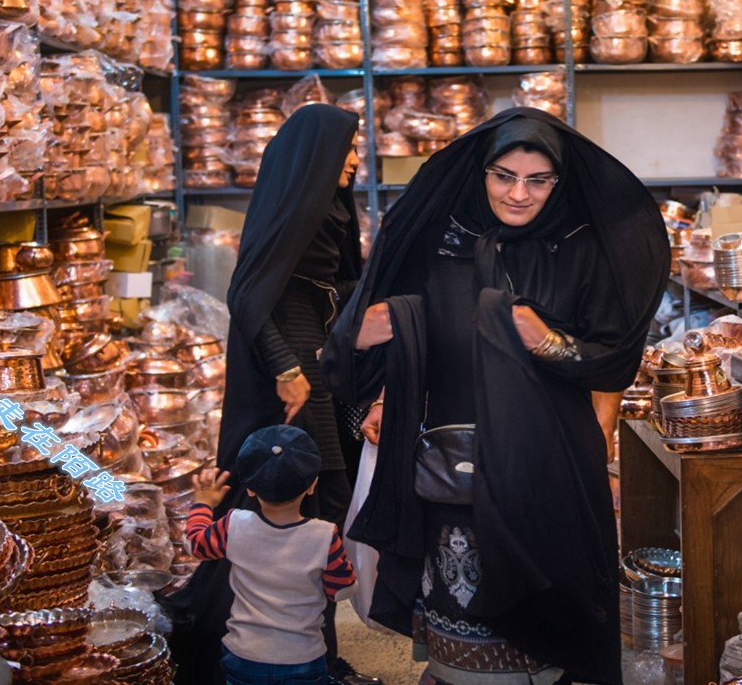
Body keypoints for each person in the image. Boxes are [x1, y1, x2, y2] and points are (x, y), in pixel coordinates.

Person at [321, 108, 668, 685]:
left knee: (548, 596)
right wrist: (362, 336)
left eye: (538, 180)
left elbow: (612, 359)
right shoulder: (440, 242)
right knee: (462, 592)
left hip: (548, 449)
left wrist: (548, 342)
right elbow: (364, 339)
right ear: (482, 172)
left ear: (558, 180)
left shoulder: (579, 247)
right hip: (454, 447)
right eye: (504, 176)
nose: (518, 194)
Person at [166, 104, 376, 685]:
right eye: (346, 149)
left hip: (320, 361)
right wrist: (285, 367)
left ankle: (312, 651)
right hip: (293, 373)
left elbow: (337, 284)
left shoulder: (329, 205)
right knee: (299, 503)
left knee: (319, 506)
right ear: (318, 155)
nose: (354, 160)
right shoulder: (293, 207)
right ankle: (282, 650)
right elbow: (249, 293)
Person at [187, 425, 357, 685]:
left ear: (250, 489)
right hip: (303, 657)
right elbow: (342, 590)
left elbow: (196, 544)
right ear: (313, 485)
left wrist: (203, 504)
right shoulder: (324, 535)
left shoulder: (234, 525)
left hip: (244, 656)